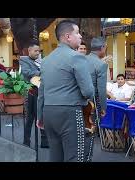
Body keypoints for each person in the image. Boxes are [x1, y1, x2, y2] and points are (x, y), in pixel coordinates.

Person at [37, 20, 95, 162]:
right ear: (68, 36)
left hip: (48, 112)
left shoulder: (46, 60)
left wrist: (40, 116)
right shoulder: (76, 57)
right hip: (69, 112)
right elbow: (88, 91)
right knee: (76, 156)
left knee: (56, 156)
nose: (80, 36)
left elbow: (41, 92)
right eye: (77, 33)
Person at [82, 37, 108, 161]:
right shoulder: (101, 64)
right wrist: (103, 107)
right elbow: (101, 89)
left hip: (78, 100)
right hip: (92, 102)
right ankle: (87, 158)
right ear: (102, 48)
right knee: (90, 131)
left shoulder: (81, 59)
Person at [19, 42, 49, 148]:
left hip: (41, 91)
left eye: (39, 51)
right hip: (30, 91)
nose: (37, 53)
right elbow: (27, 72)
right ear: (29, 51)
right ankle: (26, 141)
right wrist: (41, 72)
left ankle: (44, 141)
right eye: (35, 51)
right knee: (30, 118)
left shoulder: (42, 60)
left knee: (41, 115)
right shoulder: (24, 60)